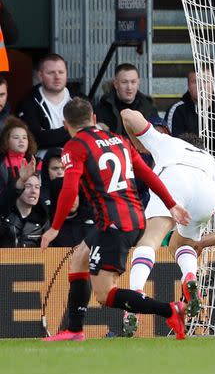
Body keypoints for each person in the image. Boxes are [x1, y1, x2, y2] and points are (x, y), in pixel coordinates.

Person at [40, 98, 190, 341]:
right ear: (94, 119)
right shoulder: (120, 141)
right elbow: (147, 173)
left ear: (65, 124)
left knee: (104, 294)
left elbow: (69, 189)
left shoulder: (75, 146)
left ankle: (169, 310)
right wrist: (171, 203)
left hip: (114, 224)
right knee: (79, 259)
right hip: (130, 217)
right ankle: (74, 330)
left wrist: (55, 227)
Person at [119, 109, 215, 336]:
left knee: (150, 240)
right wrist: (202, 243)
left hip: (174, 178)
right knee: (180, 244)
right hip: (206, 191)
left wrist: (138, 143)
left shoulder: (167, 142)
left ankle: (134, 297)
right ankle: (190, 276)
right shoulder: (213, 163)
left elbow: (127, 114)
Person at [17, 54, 74, 152]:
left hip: (76, 158)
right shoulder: (28, 103)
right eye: (51, 73)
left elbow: (94, 129)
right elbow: (35, 138)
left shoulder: (79, 99)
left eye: (61, 72)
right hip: (42, 163)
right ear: (40, 75)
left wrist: (49, 135)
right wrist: (73, 129)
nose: (57, 77)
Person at [94, 63, 159, 135]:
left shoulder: (149, 108)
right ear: (115, 84)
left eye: (133, 82)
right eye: (124, 82)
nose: (129, 87)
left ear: (138, 84)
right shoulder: (101, 109)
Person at [0, 164, 49, 247]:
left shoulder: (43, 220)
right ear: (19, 187)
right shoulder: (4, 214)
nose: (34, 191)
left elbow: (49, 254)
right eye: (28, 186)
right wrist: (21, 180)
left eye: (37, 187)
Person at [165, 69, 212, 136]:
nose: (201, 86)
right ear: (188, 87)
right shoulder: (177, 111)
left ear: (213, 84)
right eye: (196, 82)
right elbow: (172, 142)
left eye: (205, 81)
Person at [0, 116, 37, 192]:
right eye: (16, 137)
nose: (21, 141)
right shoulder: (1, 162)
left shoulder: (34, 161)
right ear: (6, 140)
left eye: (24, 138)